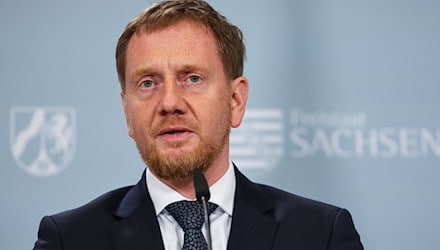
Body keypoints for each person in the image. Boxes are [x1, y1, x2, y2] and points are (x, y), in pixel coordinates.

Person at [33, 0, 363, 249]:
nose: (169, 103)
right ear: (126, 111)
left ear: (235, 100)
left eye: (192, 78)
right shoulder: (70, 239)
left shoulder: (321, 234)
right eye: (148, 83)